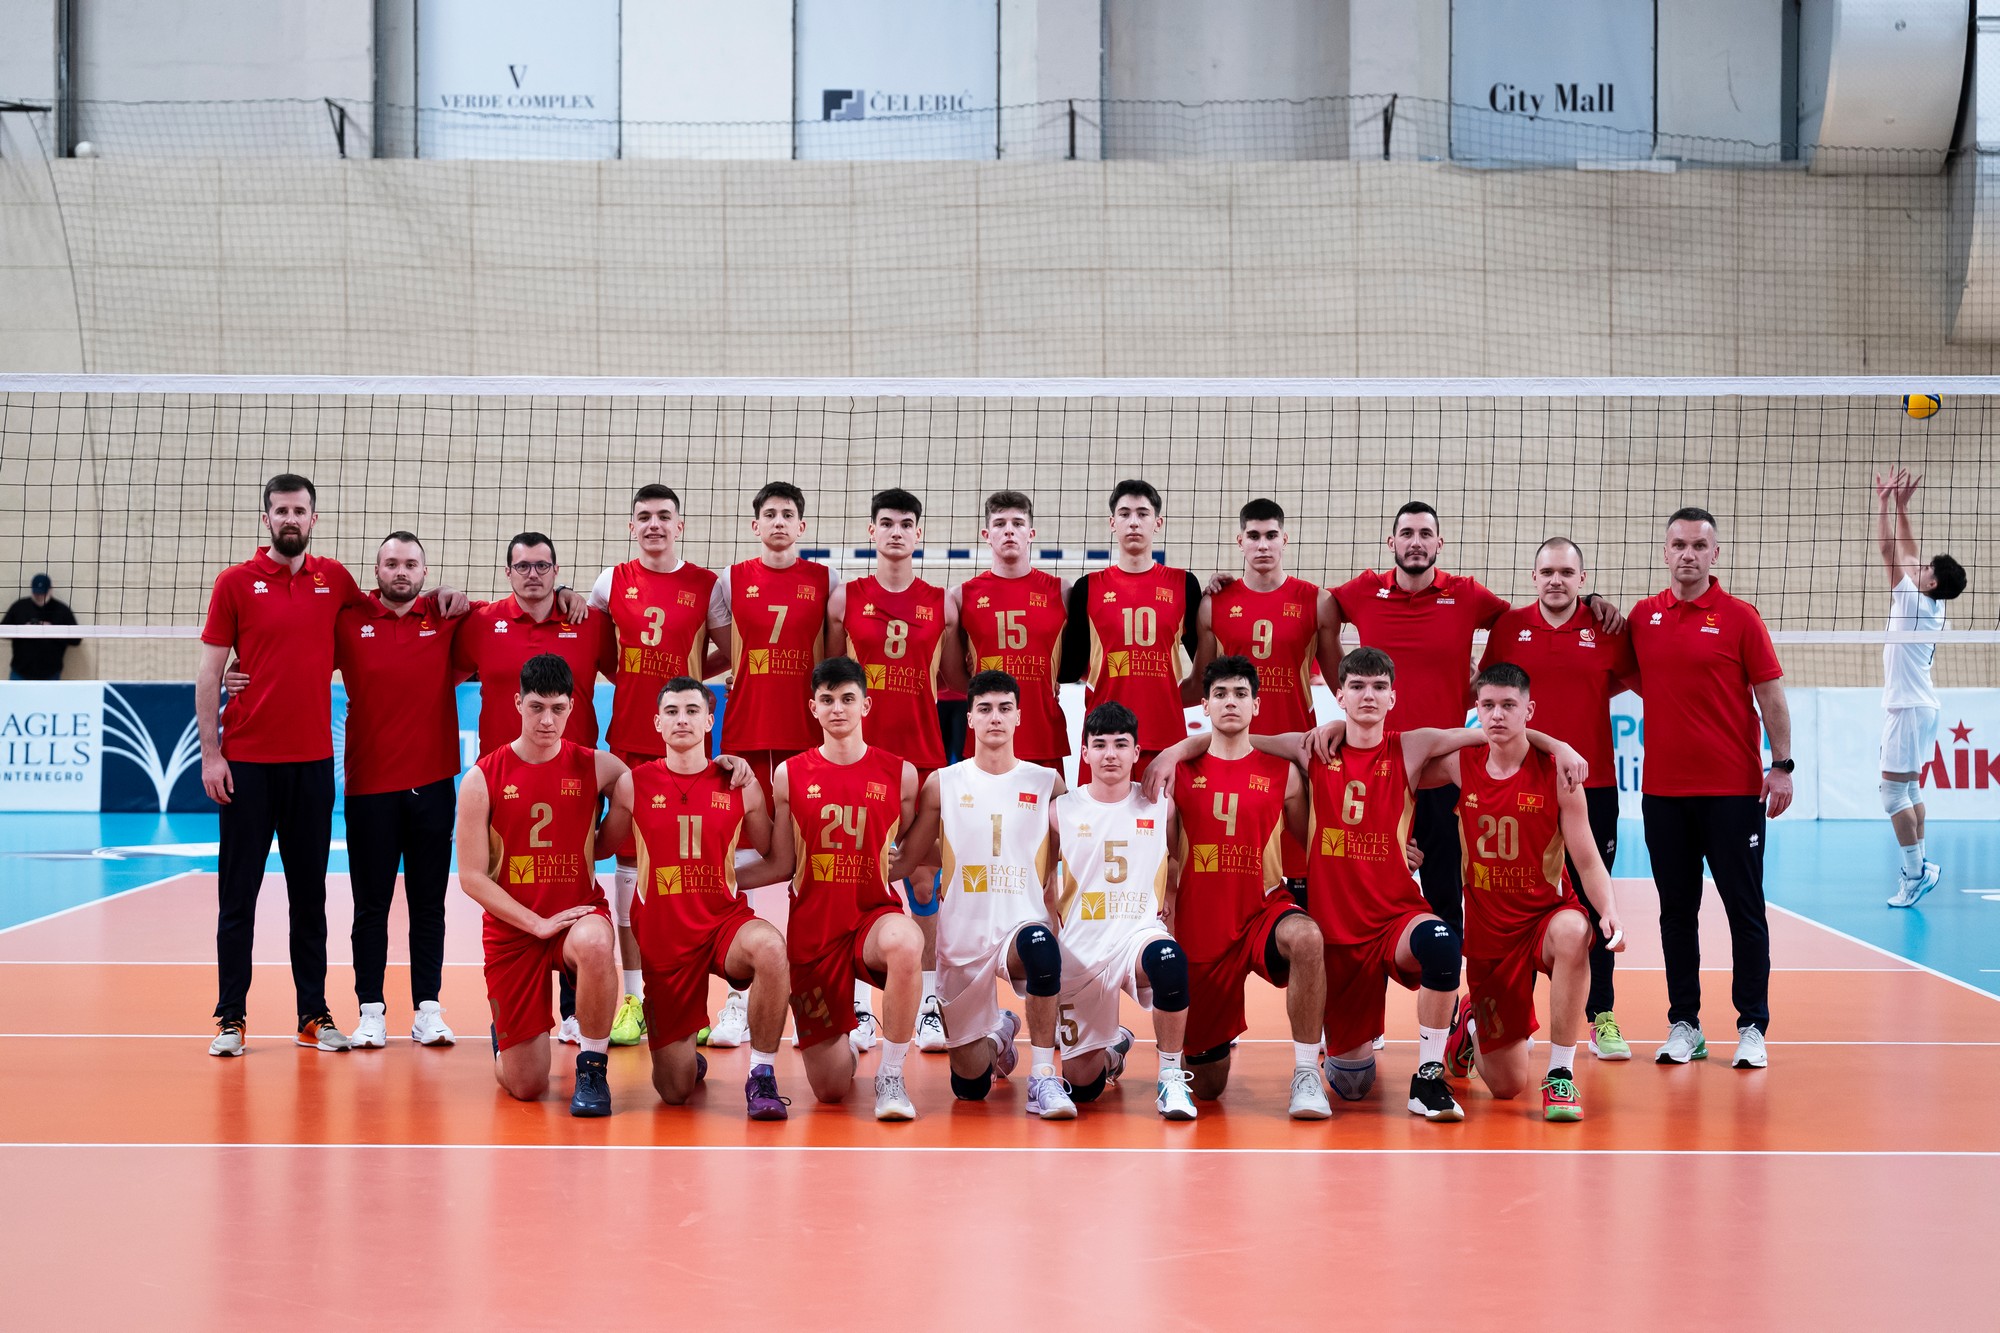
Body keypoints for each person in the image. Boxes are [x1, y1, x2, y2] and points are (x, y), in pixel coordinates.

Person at [1144, 647, 1586, 1123]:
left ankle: (1428, 1077)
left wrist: (1559, 746)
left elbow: (1499, 731)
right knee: (1349, 1085)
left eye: (1378, 687)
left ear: (1393, 697)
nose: (1368, 695)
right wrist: (1174, 750)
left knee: (1441, 943)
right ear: (1340, 696)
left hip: (1395, 917)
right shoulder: (1309, 748)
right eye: (1357, 686)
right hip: (1338, 932)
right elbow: (1236, 737)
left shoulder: (1413, 746)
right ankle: (1434, 1038)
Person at [199, 473, 466, 1057]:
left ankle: (314, 1015)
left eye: (299, 510)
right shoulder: (235, 583)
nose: (290, 518)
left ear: (313, 518)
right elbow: (210, 671)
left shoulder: (334, 581)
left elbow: (400, 607)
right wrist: (212, 752)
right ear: (267, 517)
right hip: (247, 763)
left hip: (314, 766)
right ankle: (231, 1017)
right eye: (281, 510)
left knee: (310, 898)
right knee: (238, 897)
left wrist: (447, 593)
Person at [1328, 501, 1621, 935]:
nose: (1415, 543)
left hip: (1442, 772)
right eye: (1407, 534)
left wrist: (1588, 601)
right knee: (1366, 893)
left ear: (1440, 543)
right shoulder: (1363, 591)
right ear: (1391, 542)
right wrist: (1344, 700)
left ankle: (1447, 978)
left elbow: (1523, 619)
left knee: (1447, 896)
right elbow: (1318, 611)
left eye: (1425, 534)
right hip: (1379, 770)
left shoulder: (1466, 594)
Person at [1629, 507, 1792, 1070]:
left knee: (1745, 910)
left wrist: (1782, 765)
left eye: (1699, 545)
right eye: (1679, 544)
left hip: (1732, 792)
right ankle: (1685, 1024)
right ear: (1665, 551)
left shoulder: (1741, 618)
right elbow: (1607, 663)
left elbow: (1771, 697)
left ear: (1714, 554)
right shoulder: (1643, 617)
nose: (1688, 554)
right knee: (1676, 913)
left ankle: (1752, 1026)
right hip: (1664, 794)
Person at [1429, 664, 1626, 1122]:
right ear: (1477, 709)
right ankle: (1470, 1024)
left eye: (1508, 705)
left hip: (1543, 920)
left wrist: (1608, 910)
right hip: (1489, 939)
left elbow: (1587, 858)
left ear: (1529, 710)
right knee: (1506, 1086)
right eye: (1488, 706)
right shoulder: (1460, 764)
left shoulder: (1557, 774)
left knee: (1576, 932)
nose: (1497, 715)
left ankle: (1560, 1075)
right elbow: (1401, 764)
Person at [737, 657, 925, 1120]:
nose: (837, 708)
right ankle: (847, 1033)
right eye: (827, 700)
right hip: (814, 937)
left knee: (905, 942)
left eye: (847, 699)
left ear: (866, 705)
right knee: (832, 1090)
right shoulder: (789, 774)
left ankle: (892, 1075)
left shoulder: (901, 774)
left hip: (871, 918)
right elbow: (782, 864)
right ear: (813, 708)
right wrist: (717, 882)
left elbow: (912, 850)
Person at [1477, 537, 1639, 1060]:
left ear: (1582, 580)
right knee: (1517, 899)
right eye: (1547, 571)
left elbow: (1633, 681)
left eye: (1566, 573)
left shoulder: (1604, 628)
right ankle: (1511, 1017)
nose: (1556, 580)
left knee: (1593, 903)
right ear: (1533, 576)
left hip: (1591, 784)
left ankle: (1601, 1015)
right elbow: (1486, 691)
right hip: (1519, 783)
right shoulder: (1509, 627)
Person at [890, 669, 1075, 1119]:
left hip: (1020, 929)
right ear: (970, 717)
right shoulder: (943, 783)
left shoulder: (1047, 783)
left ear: (1018, 717)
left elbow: (1071, 860)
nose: (995, 717)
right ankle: (1000, 1034)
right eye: (986, 709)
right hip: (963, 941)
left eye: (1005, 708)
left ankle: (1044, 1076)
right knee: (969, 1088)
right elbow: (908, 859)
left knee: (1041, 946)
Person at [454, 653, 632, 1117]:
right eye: (536, 707)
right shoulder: (482, 779)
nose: (547, 720)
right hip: (516, 929)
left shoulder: (600, 767)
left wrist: (725, 765)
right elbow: (471, 877)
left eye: (557, 708)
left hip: (576, 916)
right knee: (527, 1086)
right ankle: (507, 1041)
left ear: (572, 706)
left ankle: (592, 1068)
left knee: (597, 943)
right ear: (518, 703)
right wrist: (535, 923)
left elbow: (652, 787)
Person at [706, 481, 844, 1051]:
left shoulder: (826, 581)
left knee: (813, 868)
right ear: (755, 524)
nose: (779, 521)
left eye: (789, 514)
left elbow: (835, 658)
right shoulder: (729, 580)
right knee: (737, 862)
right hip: (744, 737)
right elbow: (726, 650)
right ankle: (738, 1000)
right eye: (770, 513)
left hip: (806, 743)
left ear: (802, 526)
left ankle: (831, 995)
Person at [616, 676, 790, 1120]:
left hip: (722, 923)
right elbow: (597, 846)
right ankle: (686, 1056)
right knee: (673, 1092)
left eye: (693, 711)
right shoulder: (632, 785)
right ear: (657, 723)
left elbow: (777, 860)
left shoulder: (740, 783)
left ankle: (762, 1074)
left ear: (710, 720)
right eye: (672, 711)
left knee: (771, 948)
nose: (682, 720)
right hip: (665, 941)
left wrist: (723, 877)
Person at [1163, 657, 1329, 1118]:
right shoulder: (1178, 772)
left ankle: (1306, 1074)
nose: (1230, 702)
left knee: (1307, 937)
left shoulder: (1285, 774)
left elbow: (1317, 844)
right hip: (1201, 928)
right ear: (1204, 705)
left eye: (1240, 694)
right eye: (1220, 694)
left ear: (1256, 705)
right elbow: (1159, 851)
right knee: (1209, 1088)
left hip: (1262, 910)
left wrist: (1394, 848)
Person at [590, 485, 720, 1048]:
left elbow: (730, 649)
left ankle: (695, 1002)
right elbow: (599, 653)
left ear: (680, 526)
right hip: (629, 745)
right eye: (643, 516)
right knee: (628, 873)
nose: (654, 525)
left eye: (664, 516)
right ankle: (633, 1000)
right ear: (631, 525)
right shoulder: (609, 582)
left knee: (691, 873)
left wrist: (683, 683)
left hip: (686, 749)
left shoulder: (707, 585)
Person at [333, 532, 462, 1049]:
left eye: (411, 564)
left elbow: (515, 614)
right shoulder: (348, 620)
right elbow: (293, 654)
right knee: (371, 906)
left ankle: (427, 1010)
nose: (401, 571)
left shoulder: (448, 618)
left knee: (429, 905)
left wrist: (563, 594)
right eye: (391, 563)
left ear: (425, 573)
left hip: (433, 785)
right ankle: (371, 1011)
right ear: (377, 571)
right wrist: (239, 670)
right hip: (370, 788)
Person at [832, 488, 949, 1054]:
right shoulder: (846, 599)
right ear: (872, 532)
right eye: (887, 523)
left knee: (923, 879)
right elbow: (830, 674)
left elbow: (954, 678)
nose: (896, 532)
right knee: (857, 879)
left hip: (922, 756)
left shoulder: (942, 603)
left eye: (906, 523)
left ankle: (928, 1005)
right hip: (862, 759)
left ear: (918, 534)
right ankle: (857, 1006)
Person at [1050, 702, 1199, 1121]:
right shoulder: (1060, 810)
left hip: (1137, 936)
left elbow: (1176, 862)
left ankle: (1170, 1076)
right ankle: (1113, 1050)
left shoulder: (1160, 804)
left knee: (1169, 960)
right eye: (1100, 745)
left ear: (1137, 752)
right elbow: (1041, 878)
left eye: (1121, 744)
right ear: (1085, 753)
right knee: (1084, 1089)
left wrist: (1169, 900)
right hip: (1081, 951)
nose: (1110, 754)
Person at [1193, 499, 1321, 898]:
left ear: (1285, 539)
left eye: (1270, 536)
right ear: (1240, 541)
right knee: (1237, 862)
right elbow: (1199, 682)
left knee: (1301, 867)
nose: (1262, 545)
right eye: (1253, 536)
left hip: (1297, 750)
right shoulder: (1214, 603)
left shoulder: (1317, 601)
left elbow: (1343, 684)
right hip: (1233, 753)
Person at [1058, 480, 1204, 783]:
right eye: (1124, 514)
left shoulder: (1184, 585)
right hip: (1104, 739)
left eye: (1142, 513)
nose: (1133, 522)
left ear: (1158, 523)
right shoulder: (1087, 588)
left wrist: (1220, 597)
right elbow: (1068, 669)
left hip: (1165, 739)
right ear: (1113, 523)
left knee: (1167, 816)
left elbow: (1208, 666)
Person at [1874, 469, 1966, 908]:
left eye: (1926, 569)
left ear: (1930, 583)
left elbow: (1890, 551)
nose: (1919, 566)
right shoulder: (1933, 605)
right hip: (1921, 706)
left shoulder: (1911, 601)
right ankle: (1922, 866)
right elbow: (1910, 553)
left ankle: (1913, 875)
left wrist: (1883, 504)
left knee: (1893, 794)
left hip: (1909, 708)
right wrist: (1902, 507)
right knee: (1909, 791)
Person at [454, 533, 612, 759]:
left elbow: (629, 681)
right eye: (523, 566)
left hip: (576, 769)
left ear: (555, 570)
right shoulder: (481, 622)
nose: (533, 574)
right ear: (508, 572)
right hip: (500, 769)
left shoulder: (591, 623)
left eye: (542, 566)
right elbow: (441, 683)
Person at [945, 490, 1071, 774]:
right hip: (985, 741)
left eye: (1018, 523)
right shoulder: (961, 596)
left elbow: (1078, 661)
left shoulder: (1062, 592)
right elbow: (953, 677)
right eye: (1000, 524)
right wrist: (986, 696)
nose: (1009, 530)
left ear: (1031, 533)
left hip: (1043, 737)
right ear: (986, 534)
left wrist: (1047, 682)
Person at [4, 573, 79, 680]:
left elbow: (76, 640)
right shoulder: (19, 607)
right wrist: (22, 630)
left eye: (42, 593)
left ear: (50, 590)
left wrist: (53, 631)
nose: (39, 596)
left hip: (51, 673)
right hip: (20, 672)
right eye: (36, 593)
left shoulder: (62, 610)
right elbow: (3, 630)